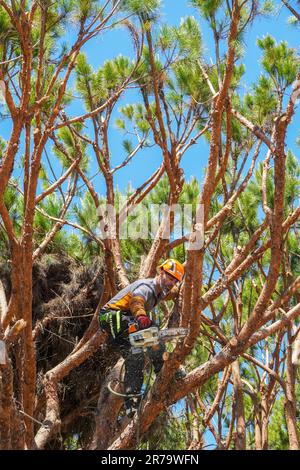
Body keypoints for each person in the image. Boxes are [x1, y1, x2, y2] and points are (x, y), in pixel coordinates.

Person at [99, 258, 184, 417]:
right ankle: (163, 368)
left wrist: (183, 289)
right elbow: (137, 300)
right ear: (161, 272)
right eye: (169, 278)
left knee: (135, 355)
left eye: (174, 281)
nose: (171, 282)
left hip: (120, 324)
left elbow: (173, 292)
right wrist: (141, 316)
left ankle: (132, 403)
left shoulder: (162, 290)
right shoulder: (147, 286)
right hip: (111, 317)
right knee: (151, 329)